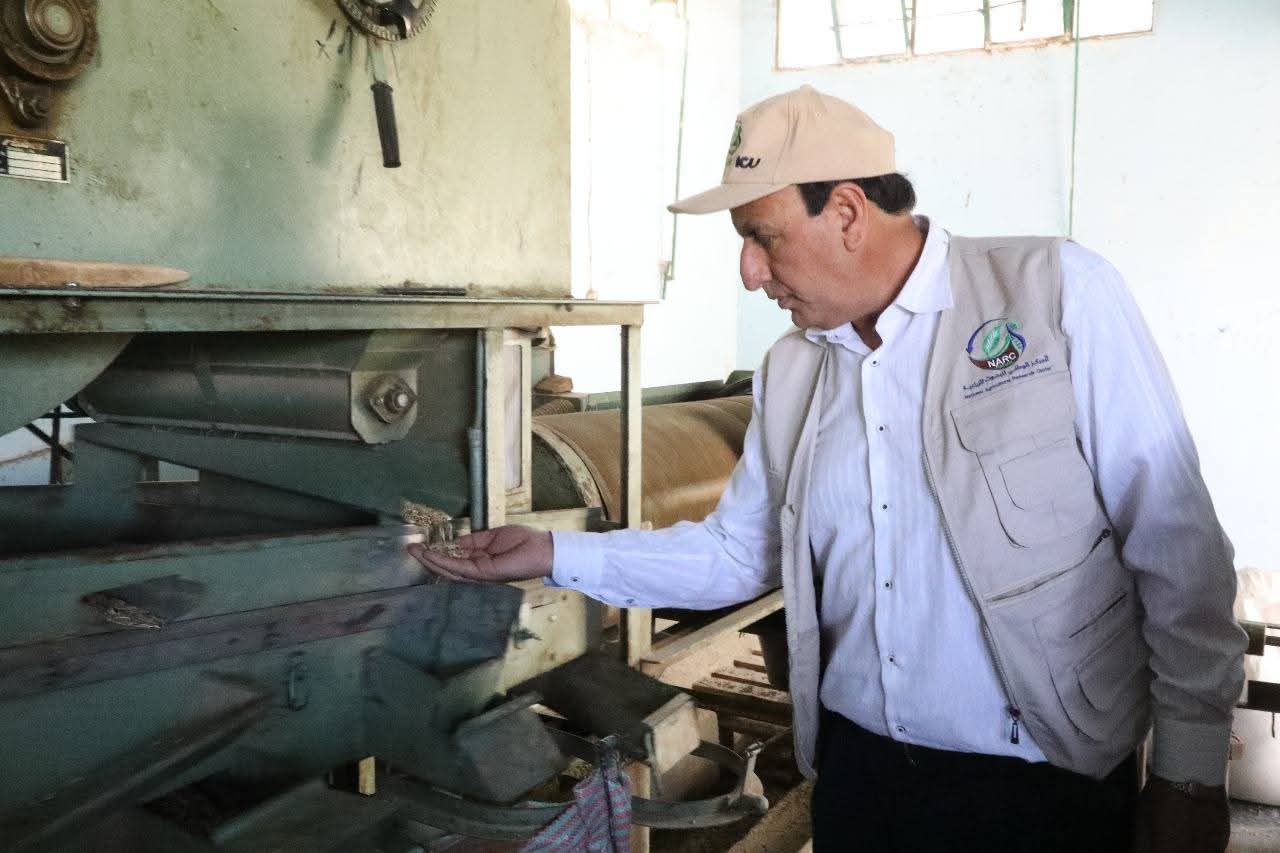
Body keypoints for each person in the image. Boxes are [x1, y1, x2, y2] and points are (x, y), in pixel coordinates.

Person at [409, 85, 1245, 852]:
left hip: (1039, 788)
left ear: (847, 210)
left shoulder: (1055, 294)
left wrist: (1190, 773)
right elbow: (739, 554)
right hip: (861, 782)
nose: (750, 271)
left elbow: (1177, 549)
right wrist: (552, 553)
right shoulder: (792, 370)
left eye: (762, 237)